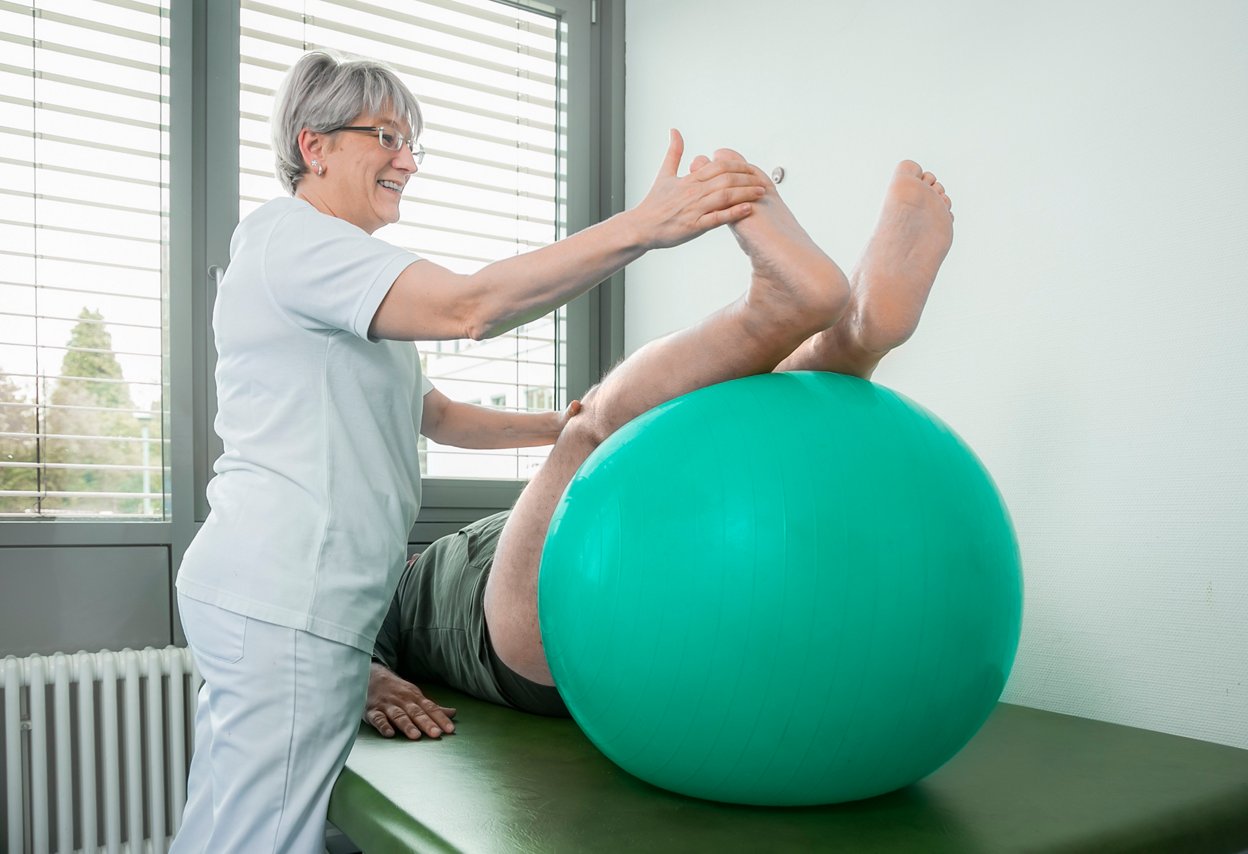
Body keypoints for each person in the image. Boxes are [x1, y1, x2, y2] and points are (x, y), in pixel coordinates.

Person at [171, 48, 772, 854]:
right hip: (284, 588)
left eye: (412, 141)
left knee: (229, 821)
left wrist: (571, 427)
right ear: (313, 146)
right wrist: (642, 228)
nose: (407, 161)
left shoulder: (336, 283)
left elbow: (441, 416)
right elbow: (470, 307)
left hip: (283, 591)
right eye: (385, 136)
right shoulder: (295, 242)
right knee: (264, 837)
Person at [362, 153, 955, 740]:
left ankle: (844, 342)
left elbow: (441, 418)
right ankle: (795, 321)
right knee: (595, 431)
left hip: (620, 584)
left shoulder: (407, 548)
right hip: (512, 636)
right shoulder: (372, 594)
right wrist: (370, 677)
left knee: (687, 438)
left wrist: (548, 424)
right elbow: (329, 648)